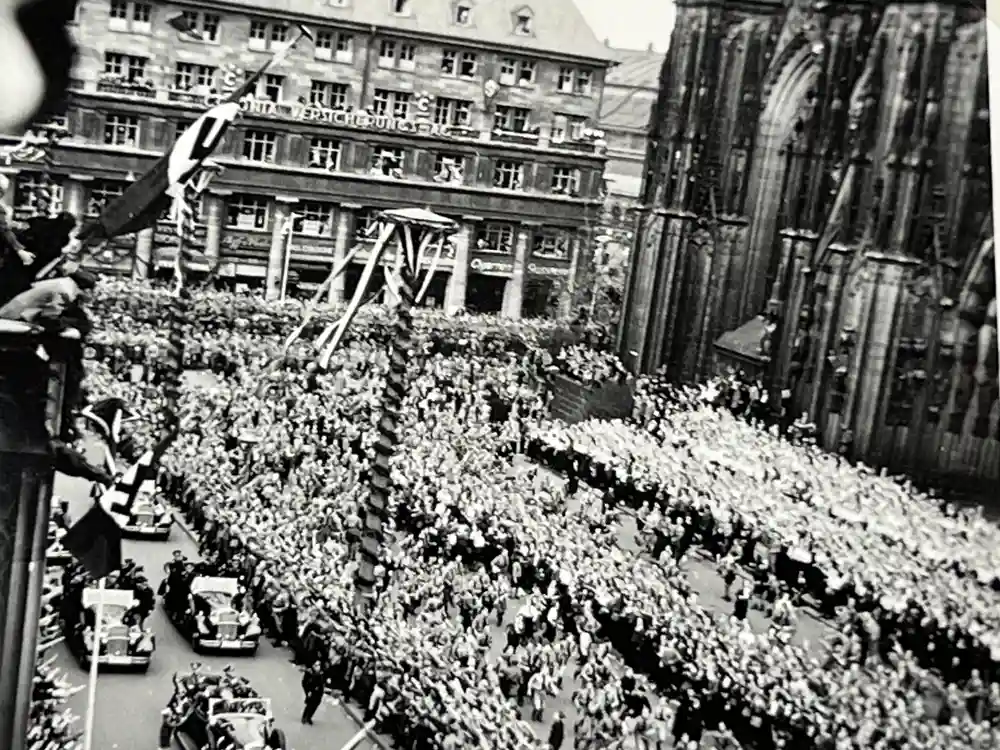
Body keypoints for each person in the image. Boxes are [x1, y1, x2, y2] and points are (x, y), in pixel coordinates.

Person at [301, 661, 326, 725]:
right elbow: (304, 683)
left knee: (315, 706)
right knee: (309, 705)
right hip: (311, 692)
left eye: (319, 665)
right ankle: (304, 717)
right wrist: (307, 692)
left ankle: (309, 717)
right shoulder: (309, 672)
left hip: (319, 693)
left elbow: (322, 683)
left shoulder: (321, 673)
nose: (317, 667)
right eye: (316, 665)